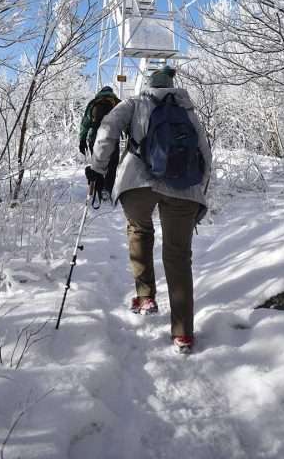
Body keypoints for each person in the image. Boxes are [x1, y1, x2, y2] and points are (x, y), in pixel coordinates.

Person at [86, 66, 212, 354]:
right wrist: (198, 193)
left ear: (147, 84)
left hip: (137, 183)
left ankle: (145, 297)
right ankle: (183, 334)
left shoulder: (134, 103)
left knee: (139, 229)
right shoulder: (187, 109)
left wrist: (97, 168)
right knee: (178, 256)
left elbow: (107, 130)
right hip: (184, 189)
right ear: (172, 84)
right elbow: (205, 155)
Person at [79, 86, 120, 195]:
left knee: (97, 164)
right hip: (112, 137)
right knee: (112, 164)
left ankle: (98, 189)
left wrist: (82, 139)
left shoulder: (93, 103)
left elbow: (85, 123)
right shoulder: (118, 103)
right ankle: (107, 189)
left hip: (95, 137)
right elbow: (125, 122)